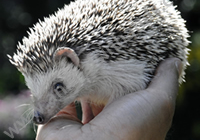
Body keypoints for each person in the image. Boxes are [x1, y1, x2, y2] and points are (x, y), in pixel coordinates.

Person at [36, 58, 182, 140]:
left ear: (71, 59)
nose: (39, 114)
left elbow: (131, 86)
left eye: (58, 86)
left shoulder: (111, 68)